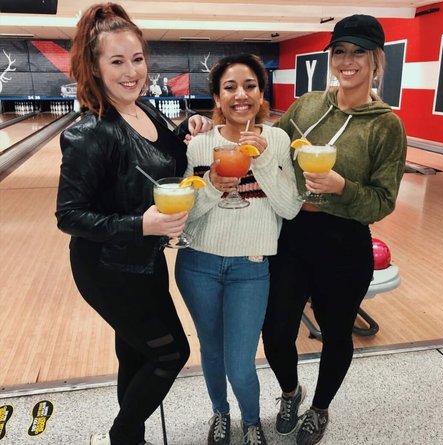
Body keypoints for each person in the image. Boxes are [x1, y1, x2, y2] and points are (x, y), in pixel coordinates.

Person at [55, 3, 211, 445]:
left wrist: (187, 130)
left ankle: (133, 438)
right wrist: (140, 225)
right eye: (117, 61)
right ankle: (123, 434)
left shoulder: (146, 110)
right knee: (171, 354)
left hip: (145, 260)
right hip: (106, 268)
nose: (131, 72)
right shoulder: (90, 133)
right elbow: (69, 215)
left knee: (137, 352)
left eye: (137, 59)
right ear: (95, 67)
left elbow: (161, 159)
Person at [261, 14, 407, 445]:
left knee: (336, 332)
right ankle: (291, 392)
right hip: (292, 234)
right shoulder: (308, 105)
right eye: (339, 51)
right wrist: (214, 130)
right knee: (275, 331)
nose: (347, 61)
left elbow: (383, 201)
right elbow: (271, 147)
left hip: (344, 243)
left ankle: (320, 408)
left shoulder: (386, 125)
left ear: (376, 60)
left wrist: (342, 187)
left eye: (358, 52)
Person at [174, 53, 301, 445]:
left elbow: (290, 208)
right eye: (229, 87)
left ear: (261, 93)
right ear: (217, 97)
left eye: (250, 86)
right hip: (198, 264)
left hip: (251, 267)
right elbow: (185, 219)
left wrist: (260, 162)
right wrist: (212, 186)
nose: (240, 95)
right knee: (212, 352)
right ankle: (220, 413)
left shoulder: (277, 141)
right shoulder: (200, 146)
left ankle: (251, 419)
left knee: (240, 361)